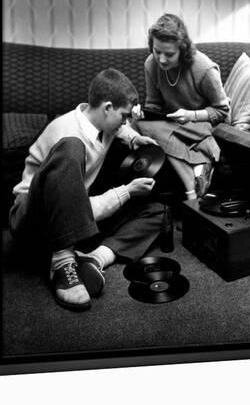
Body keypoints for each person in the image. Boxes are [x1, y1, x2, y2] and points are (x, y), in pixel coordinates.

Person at [9, 68, 162, 312]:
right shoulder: (68, 134)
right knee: (72, 147)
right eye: (123, 116)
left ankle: (95, 258)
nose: (125, 122)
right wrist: (126, 192)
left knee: (157, 211)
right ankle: (62, 261)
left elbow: (119, 129)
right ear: (107, 107)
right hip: (33, 218)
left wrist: (134, 138)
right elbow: (73, 207)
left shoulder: (100, 120)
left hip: (72, 217)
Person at [134, 13, 230, 200]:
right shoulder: (151, 64)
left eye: (169, 54)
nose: (161, 59)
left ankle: (191, 180)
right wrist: (143, 114)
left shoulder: (203, 68)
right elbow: (153, 105)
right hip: (175, 124)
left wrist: (191, 115)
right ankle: (192, 178)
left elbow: (222, 111)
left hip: (206, 123)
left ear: (183, 49)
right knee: (136, 124)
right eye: (156, 51)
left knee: (150, 129)